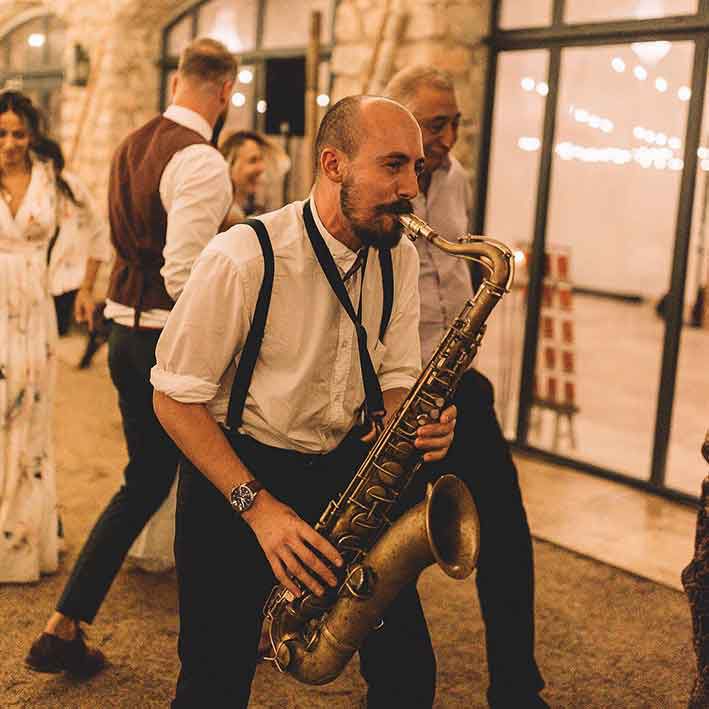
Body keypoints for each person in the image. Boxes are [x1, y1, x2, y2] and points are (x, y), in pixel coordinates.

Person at [151, 95, 457, 708]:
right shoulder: (243, 256)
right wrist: (260, 511)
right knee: (213, 681)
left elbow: (397, 372)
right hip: (237, 477)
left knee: (408, 674)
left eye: (417, 168)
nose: (411, 189)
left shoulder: (397, 255)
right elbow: (173, 399)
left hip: (344, 473)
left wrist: (414, 419)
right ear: (333, 164)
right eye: (393, 165)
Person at [25, 37, 236, 676]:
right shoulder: (201, 160)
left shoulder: (131, 143)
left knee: (148, 480)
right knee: (207, 476)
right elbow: (184, 274)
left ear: (176, 80)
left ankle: (64, 625)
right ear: (227, 90)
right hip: (166, 341)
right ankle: (223, 630)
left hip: (124, 331)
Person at [384, 65, 548, 707]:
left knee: (507, 533)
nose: (449, 138)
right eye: (436, 125)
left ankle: (516, 687)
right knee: (384, 548)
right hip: (395, 398)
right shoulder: (378, 192)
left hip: (458, 383)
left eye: (455, 123)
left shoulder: (456, 178)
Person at [0, 90, 109, 584]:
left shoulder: (54, 181)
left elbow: (97, 230)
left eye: (18, 134)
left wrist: (85, 288)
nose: (9, 143)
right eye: (1, 134)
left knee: (30, 419)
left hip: (33, 314)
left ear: (32, 135)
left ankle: (25, 541)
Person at [219, 129, 268, 226]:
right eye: (253, 160)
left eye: (261, 160)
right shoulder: (230, 218)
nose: (262, 168)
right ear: (229, 164)